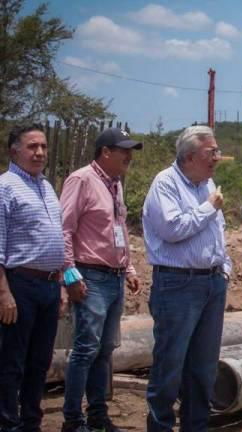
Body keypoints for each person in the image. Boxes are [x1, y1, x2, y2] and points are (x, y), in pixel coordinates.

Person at [142, 126, 232, 431]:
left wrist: (224, 269)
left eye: (217, 151)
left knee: (203, 369)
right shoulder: (165, 183)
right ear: (190, 156)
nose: (217, 158)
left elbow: (218, 234)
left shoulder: (207, 184)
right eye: (212, 152)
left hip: (211, 284)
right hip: (177, 286)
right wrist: (209, 207)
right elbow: (172, 229)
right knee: (169, 367)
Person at [59, 128, 143, 432]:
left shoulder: (115, 185)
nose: (129, 156)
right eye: (123, 151)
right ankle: (72, 419)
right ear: (105, 152)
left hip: (115, 277)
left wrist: (129, 269)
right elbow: (64, 228)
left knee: (105, 350)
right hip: (90, 275)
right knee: (85, 349)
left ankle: (97, 415)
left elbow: (118, 229)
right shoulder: (81, 180)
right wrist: (70, 273)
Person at [0, 123, 67, 432]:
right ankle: (7, 422)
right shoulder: (5, 187)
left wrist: (62, 284)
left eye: (43, 146)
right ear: (15, 151)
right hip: (20, 285)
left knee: (39, 361)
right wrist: (4, 293)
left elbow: (56, 240)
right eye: (32, 147)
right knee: (12, 360)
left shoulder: (46, 186)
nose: (40, 152)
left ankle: (31, 422)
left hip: (49, 286)